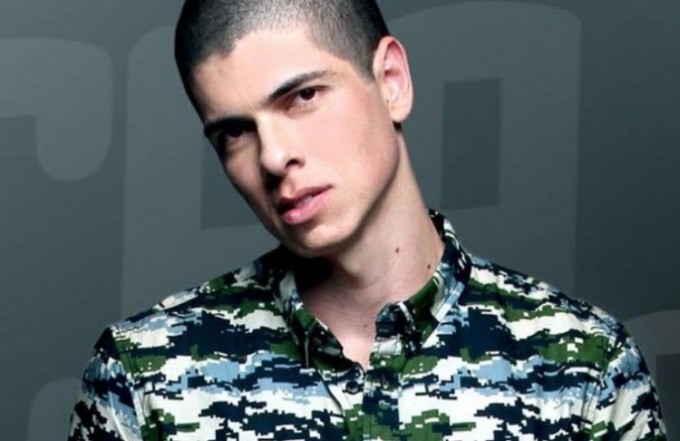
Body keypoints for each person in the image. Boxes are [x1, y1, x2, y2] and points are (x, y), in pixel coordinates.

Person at [68, 0, 666, 439]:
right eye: (234, 132)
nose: (273, 157)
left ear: (391, 82)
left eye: (302, 97)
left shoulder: (584, 365)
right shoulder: (144, 374)